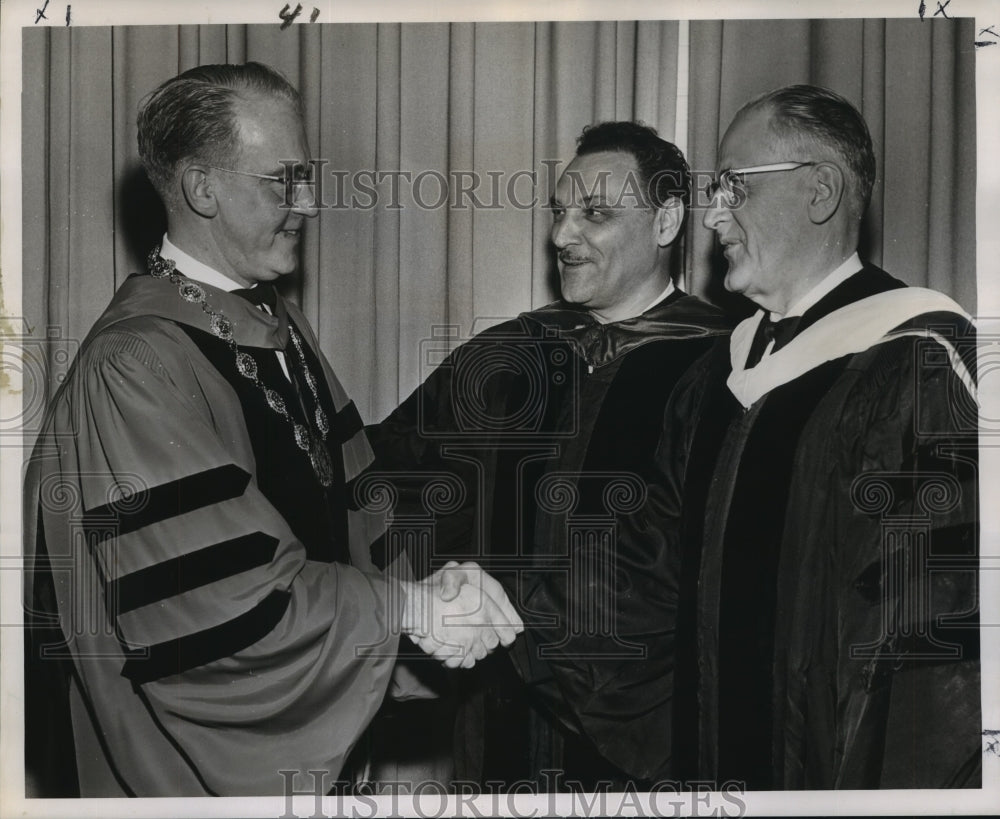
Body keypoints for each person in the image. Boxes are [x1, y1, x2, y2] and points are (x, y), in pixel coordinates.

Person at [22, 61, 522, 798]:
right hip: (190, 771)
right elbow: (218, 607)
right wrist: (409, 610)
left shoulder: (270, 323)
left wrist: (427, 586)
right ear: (202, 189)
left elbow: (356, 509)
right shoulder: (134, 365)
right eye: (283, 181)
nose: (310, 204)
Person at [365, 122, 730, 790]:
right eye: (560, 213)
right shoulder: (510, 356)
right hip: (500, 719)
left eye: (595, 214)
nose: (562, 237)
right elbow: (389, 474)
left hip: (647, 736)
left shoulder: (724, 366)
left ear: (668, 219)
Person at [666, 84, 980, 789]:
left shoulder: (918, 357)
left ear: (820, 192)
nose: (712, 214)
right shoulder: (720, 373)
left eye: (733, 187)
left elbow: (938, 652)